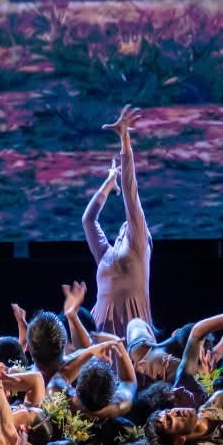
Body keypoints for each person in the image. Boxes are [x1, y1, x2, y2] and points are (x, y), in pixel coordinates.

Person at [83, 104, 153, 336]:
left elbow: (130, 193)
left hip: (131, 333)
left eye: (130, 224)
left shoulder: (138, 246)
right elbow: (88, 220)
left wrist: (125, 140)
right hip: (100, 335)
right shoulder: (106, 253)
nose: (126, 225)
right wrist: (109, 182)